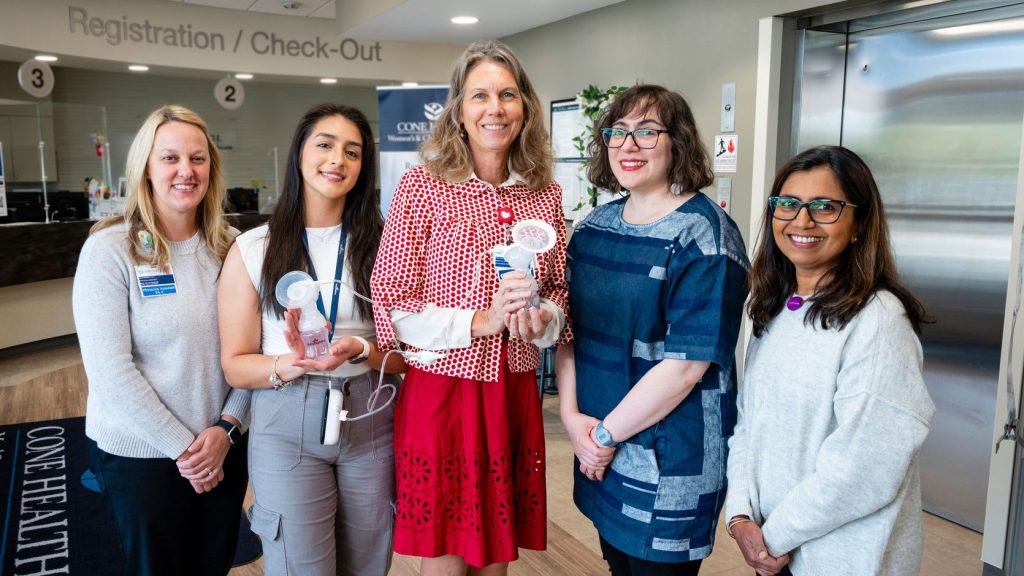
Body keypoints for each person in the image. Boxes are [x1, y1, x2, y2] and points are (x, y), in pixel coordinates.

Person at [370, 40, 568, 575]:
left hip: (512, 389)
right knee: (448, 558)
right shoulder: (423, 186)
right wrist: (480, 321)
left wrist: (545, 317)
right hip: (444, 393)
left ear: (524, 105)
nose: (494, 108)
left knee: (494, 559)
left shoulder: (543, 194)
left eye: (507, 94)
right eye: (479, 95)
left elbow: (560, 290)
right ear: (459, 109)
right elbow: (389, 299)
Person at [555, 84, 750, 576]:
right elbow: (569, 331)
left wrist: (601, 434)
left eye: (646, 131)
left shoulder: (704, 234)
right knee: (618, 565)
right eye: (616, 132)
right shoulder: (593, 227)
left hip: (669, 460)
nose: (628, 144)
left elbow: (686, 367)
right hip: (598, 447)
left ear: (677, 141)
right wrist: (570, 416)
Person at [725, 145, 935, 576]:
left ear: (859, 224)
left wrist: (773, 538)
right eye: (788, 204)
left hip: (844, 559)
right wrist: (740, 515)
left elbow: (864, 468)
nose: (802, 220)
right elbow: (749, 422)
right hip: (776, 550)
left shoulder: (879, 320)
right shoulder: (776, 308)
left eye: (825, 207)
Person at [218, 103, 404, 576]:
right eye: (324, 144)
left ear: (364, 168)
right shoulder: (253, 248)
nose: (337, 159)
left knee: (367, 564)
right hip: (287, 415)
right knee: (302, 566)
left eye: (353, 151)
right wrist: (290, 365)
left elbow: (409, 356)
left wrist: (361, 350)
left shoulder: (387, 244)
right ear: (299, 154)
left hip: (371, 410)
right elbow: (236, 365)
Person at [73, 105, 250, 576]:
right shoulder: (110, 250)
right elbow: (110, 371)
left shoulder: (232, 246)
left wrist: (228, 429)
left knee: (214, 565)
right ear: (145, 168)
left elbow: (253, 349)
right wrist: (185, 450)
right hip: (143, 457)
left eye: (197, 158)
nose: (185, 171)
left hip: (224, 446)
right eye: (170, 158)